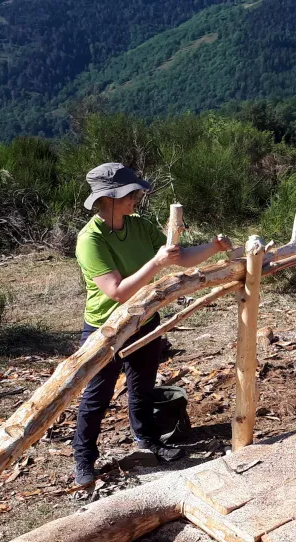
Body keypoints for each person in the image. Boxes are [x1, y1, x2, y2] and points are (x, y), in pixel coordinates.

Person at [72, 162, 232, 488]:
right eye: (131, 194)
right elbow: (117, 292)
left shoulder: (140, 226)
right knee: (96, 396)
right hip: (107, 328)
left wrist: (213, 248)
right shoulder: (90, 240)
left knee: (142, 386)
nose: (136, 198)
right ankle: (84, 459)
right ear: (110, 198)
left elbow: (180, 256)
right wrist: (156, 262)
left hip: (145, 318)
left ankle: (147, 440)